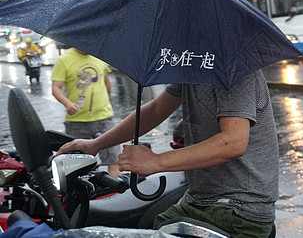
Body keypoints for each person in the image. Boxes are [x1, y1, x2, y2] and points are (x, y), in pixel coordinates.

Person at [56, 69, 279, 238]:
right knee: (157, 225)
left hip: (238, 211)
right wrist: (95, 144)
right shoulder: (195, 66)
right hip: (201, 199)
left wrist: (155, 162)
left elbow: (233, 142)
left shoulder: (235, 66)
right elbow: (154, 110)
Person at [51, 48, 121, 177]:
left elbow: (105, 81)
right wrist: (67, 103)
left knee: (114, 159)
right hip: (77, 121)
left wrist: (106, 101)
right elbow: (56, 87)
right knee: (78, 165)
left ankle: (116, 194)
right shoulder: (64, 59)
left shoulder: (100, 56)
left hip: (104, 117)